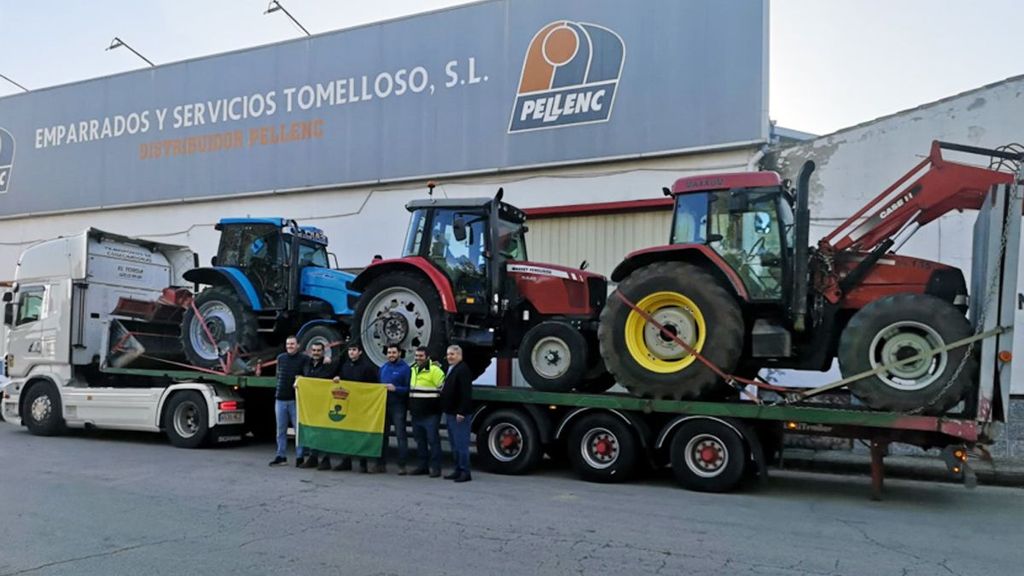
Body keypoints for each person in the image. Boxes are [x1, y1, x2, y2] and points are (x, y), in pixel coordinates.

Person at [332, 340, 379, 473]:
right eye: (349, 350)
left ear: (360, 352)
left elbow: (373, 387)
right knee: (346, 434)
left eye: (354, 350)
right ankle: (346, 461)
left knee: (360, 435)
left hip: (361, 407)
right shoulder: (345, 366)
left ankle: (363, 463)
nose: (351, 352)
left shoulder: (367, 368)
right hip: (347, 406)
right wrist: (337, 379)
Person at [298, 341, 339, 470]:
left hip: (324, 403)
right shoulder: (306, 363)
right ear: (310, 351)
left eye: (318, 350)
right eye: (314, 350)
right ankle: (313, 457)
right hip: (310, 403)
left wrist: (330, 361)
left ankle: (326, 460)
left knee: (325, 432)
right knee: (313, 432)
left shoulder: (328, 365)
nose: (316, 353)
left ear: (323, 352)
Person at [269, 336, 309, 467]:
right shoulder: (281, 358)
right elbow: (278, 375)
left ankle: (300, 457)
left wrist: (326, 359)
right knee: (280, 430)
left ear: (298, 345)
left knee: (299, 430)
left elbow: (309, 373)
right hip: (280, 398)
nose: (290, 346)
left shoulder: (304, 358)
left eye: (292, 344)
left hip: (295, 400)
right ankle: (281, 456)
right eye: (288, 344)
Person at [408, 346, 445, 478]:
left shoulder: (435, 371)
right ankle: (422, 466)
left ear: (427, 357)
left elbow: (443, 390)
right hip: (416, 414)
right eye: (416, 356)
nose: (418, 358)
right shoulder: (413, 370)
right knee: (420, 441)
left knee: (433, 441)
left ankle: (436, 468)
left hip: (431, 414)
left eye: (421, 356)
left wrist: (437, 408)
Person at [440, 344, 474, 483]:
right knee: (454, 444)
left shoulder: (463, 370)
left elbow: (466, 393)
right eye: (448, 354)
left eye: (452, 354)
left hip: (459, 414)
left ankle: (465, 472)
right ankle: (457, 469)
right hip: (450, 412)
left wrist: (462, 411)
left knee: (461, 445)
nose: (449, 357)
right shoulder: (452, 368)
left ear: (459, 355)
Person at [378, 344, 411, 474]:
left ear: (399, 353)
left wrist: (396, 388)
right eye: (389, 352)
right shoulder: (383, 368)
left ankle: (402, 465)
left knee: (400, 435)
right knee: (383, 436)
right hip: (383, 406)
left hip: (398, 406)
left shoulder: (405, 369)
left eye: (394, 352)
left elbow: (408, 389)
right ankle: (381, 464)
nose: (391, 355)